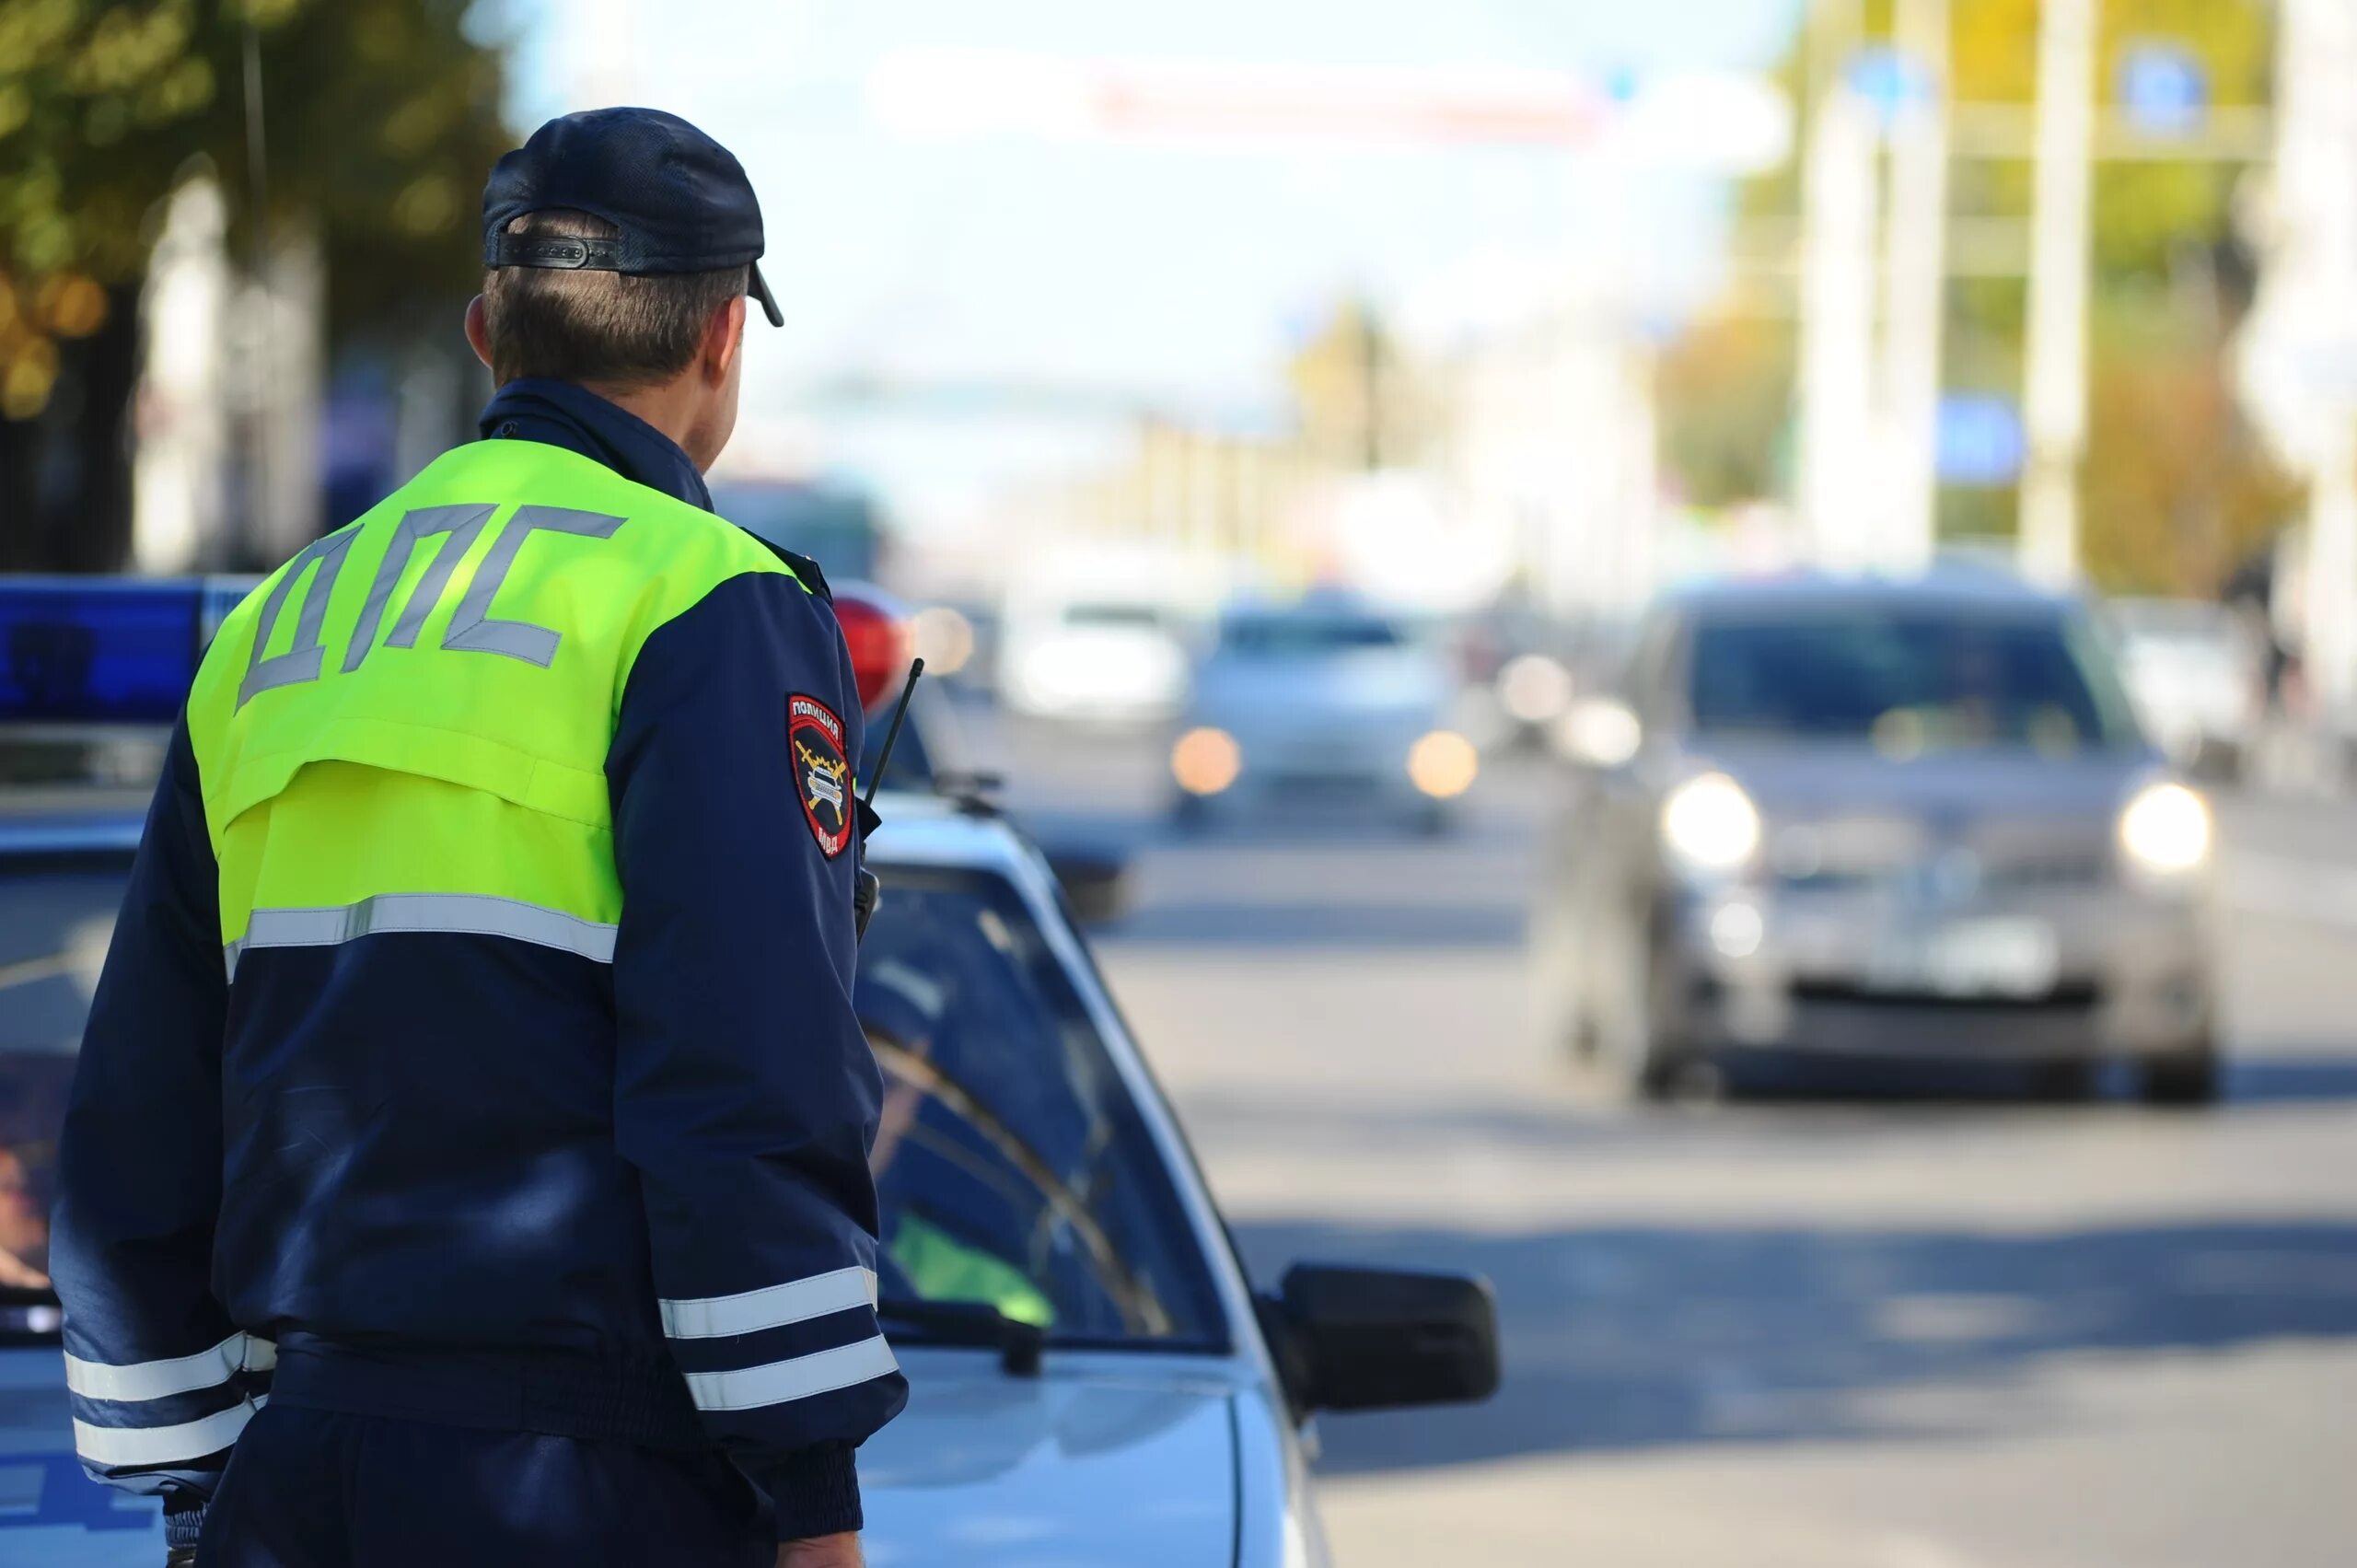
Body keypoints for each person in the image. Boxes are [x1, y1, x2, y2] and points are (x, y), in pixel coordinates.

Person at [50, 108, 907, 1568]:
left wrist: (199, 1487)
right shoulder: (705, 596)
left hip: (296, 1468)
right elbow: (746, 1070)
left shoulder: (283, 618)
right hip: (592, 1479)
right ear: (721, 340)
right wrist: (809, 1498)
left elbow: (146, 1083)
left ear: (482, 333)